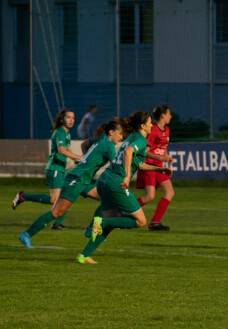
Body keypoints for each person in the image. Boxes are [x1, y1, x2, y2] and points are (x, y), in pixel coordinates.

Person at [76, 111, 172, 264]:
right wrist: (127, 176)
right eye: (149, 122)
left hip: (105, 179)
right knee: (140, 221)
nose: (152, 125)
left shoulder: (133, 137)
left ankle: (84, 255)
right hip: (116, 182)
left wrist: (157, 169)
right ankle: (100, 223)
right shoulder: (140, 139)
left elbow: (137, 163)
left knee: (110, 222)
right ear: (142, 125)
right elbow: (128, 152)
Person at [17, 119, 123, 248]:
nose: (121, 137)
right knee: (56, 212)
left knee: (108, 200)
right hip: (76, 179)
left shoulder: (101, 141)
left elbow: (85, 143)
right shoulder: (109, 146)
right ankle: (26, 234)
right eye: (120, 133)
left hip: (84, 180)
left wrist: (85, 159)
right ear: (111, 132)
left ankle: (90, 229)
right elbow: (116, 166)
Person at [12, 108, 82, 230]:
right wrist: (79, 157)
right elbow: (61, 150)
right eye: (68, 117)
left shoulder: (67, 133)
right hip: (54, 168)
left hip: (59, 169)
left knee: (61, 198)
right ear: (62, 119)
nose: (71, 120)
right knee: (57, 199)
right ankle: (24, 197)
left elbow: (67, 148)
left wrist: (76, 159)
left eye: (73, 118)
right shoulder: (59, 132)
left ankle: (55, 223)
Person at [136, 105, 174, 231]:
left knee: (169, 192)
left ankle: (155, 222)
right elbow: (145, 151)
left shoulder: (167, 130)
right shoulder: (153, 131)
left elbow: (163, 148)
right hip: (149, 166)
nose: (170, 116)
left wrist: (166, 157)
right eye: (169, 113)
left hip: (159, 167)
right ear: (162, 115)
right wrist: (160, 159)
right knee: (149, 197)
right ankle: (122, 213)